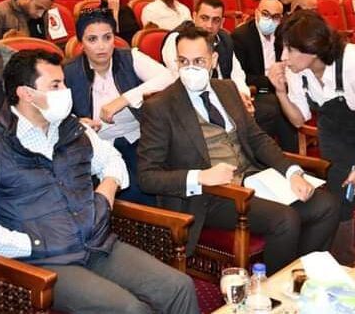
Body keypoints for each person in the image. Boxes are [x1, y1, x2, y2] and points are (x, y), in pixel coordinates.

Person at [0, 49, 198, 314]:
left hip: (95, 244)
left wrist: (105, 193)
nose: (66, 91)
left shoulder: (72, 128)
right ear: (26, 93)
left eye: (64, 83)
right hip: (43, 263)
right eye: (55, 85)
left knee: (179, 286)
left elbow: (112, 160)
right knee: (130, 310)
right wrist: (32, 243)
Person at [137, 25, 339, 274]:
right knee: (285, 220)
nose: (190, 68)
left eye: (199, 61)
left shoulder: (227, 89)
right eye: (183, 61)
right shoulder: (160, 107)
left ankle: (300, 276)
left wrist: (292, 173)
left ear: (213, 60)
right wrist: (199, 177)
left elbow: (257, 139)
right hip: (209, 196)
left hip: (253, 179)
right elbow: (147, 177)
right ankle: (274, 291)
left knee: (327, 205)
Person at [269, 10, 355, 266]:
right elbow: (299, 119)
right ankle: (342, 265)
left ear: (312, 47)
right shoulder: (296, 69)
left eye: (290, 49)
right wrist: (280, 93)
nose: (283, 57)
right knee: (339, 200)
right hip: (334, 135)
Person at [64, 8, 176, 205]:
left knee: (163, 182)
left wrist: (124, 99)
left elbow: (169, 77)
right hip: (98, 146)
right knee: (135, 193)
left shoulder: (129, 58)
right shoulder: (68, 72)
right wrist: (78, 123)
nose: (101, 46)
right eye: (92, 39)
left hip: (138, 140)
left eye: (107, 38)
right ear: (81, 42)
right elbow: (55, 115)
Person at [161, 0, 254, 112]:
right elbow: (182, 80)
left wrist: (243, 96)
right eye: (204, 18)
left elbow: (237, 75)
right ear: (194, 17)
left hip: (224, 99)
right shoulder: (178, 39)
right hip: (189, 103)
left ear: (222, 22)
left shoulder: (224, 39)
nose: (209, 26)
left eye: (216, 20)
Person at [232, 0, 298, 152]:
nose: (270, 20)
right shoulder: (241, 36)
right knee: (277, 106)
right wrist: (272, 82)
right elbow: (242, 76)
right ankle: (279, 154)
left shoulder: (282, 35)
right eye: (266, 14)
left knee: (295, 100)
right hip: (258, 90)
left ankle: (291, 155)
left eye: (275, 17)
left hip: (282, 86)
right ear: (257, 13)